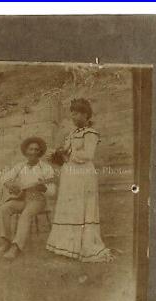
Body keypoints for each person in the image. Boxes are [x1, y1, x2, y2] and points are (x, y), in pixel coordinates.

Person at [46, 98, 113, 263]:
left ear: (85, 114)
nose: (73, 117)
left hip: (83, 174)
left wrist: (66, 154)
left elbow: (88, 155)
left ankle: (83, 246)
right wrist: (56, 155)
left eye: (76, 113)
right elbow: (65, 157)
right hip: (70, 174)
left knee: (81, 206)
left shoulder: (91, 133)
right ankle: (67, 247)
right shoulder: (72, 134)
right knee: (70, 206)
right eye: (72, 114)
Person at [0, 137, 55, 260]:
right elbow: (4, 178)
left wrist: (43, 188)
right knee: (4, 208)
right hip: (23, 199)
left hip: (38, 200)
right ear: (26, 151)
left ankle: (16, 247)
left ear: (40, 152)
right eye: (31, 149)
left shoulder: (46, 168)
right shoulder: (20, 166)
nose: (34, 152)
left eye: (36, 150)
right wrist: (10, 185)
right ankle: (6, 241)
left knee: (26, 214)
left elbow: (52, 192)